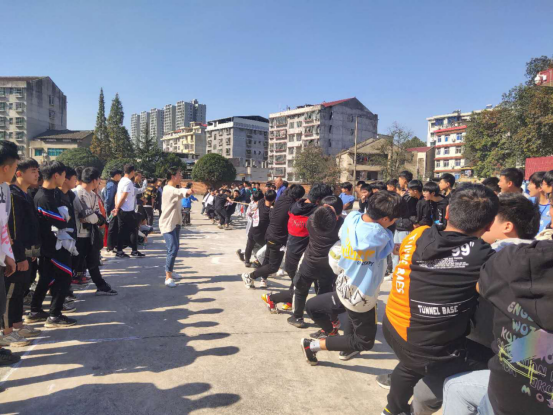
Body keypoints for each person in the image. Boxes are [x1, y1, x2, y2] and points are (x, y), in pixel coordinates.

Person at [409, 193, 540, 415]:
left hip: (486, 351)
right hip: (527, 356)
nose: (483, 224)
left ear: (507, 227)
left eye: (489, 219)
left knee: (424, 394)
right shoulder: (539, 255)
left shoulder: (492, 256)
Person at [381, 183, 498, 415]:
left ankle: (392, 409)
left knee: (410, 363)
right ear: (489, 225)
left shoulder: (418, 234)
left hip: (393, 328)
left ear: (447, 213)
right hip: (430, 348)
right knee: (499, 364)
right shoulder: (485, 257)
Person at [443, 238, 550, 414]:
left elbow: (480, 286)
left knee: (454, 386)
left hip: (500, 398)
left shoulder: (509, 259)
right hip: (508, 393)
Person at [301, 191, 403, 365]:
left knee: (321, 307)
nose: (393, 223)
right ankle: (312, 345)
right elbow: (391, 248)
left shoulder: (352, 218)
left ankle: (339, 339)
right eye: (393, 220)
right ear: (386, 219)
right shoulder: (380, 237)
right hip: (362, 296)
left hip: (344, 284)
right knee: (364, 341)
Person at [262, 184, 332, 312]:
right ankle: (272, 298)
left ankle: (288, 303)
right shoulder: (316, 213)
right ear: (319, 200)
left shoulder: (296, 206)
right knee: (301, 288)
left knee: (298, 284)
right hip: (303, 258)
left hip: (291, 255)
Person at [28, 161, 78, 328]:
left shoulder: (54, 193)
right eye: (63, 175)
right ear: (56, 175)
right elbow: (60, 221)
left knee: (47, 277)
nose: (65, 179)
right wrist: (64, 217)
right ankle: (55, 315)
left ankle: (35, 310)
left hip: (56, 243)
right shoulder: (43, 197)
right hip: (52, 245)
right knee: (64, 276)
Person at [288, 195, 344, 328]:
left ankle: (297, 317)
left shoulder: (312, 220)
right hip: (329, 265)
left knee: (301, 289)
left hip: (310, 262)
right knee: (325, 290)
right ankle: (323, 318)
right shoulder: (342, 225)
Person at [2, 159, 41, 344]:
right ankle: (7, 331)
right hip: (16, 254)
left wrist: (32, 252)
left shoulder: (25, 194)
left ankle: (18, 324)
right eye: (33, 171)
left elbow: (30, 227)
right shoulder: (12, 195)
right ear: (19, 173)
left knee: (20, 290)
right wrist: (19, 256)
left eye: (37, 171)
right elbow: (13, 230)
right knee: (11, 292)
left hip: (27, 253)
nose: (37, 175)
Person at [241, 185, 305, 289]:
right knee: (273, 267)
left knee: (266, 260)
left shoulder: (281, 199)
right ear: (298, 197)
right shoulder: (292, 206)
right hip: (278, 238)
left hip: (269, 234)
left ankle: (263, 279)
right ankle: (249, 276)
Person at [0, 150, 31, 349]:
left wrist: (8, 255)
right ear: (6, 168)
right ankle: (7, 334)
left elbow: (4, 226)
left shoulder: (4, 189)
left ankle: (5, 341)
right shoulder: (11, 192)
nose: (15, 172)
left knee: (5, 299)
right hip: (10, 253)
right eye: (14, 168)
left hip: (5, 255)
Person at [73, 167, 117, 296]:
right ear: (94, 180)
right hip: (78, 235)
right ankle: (61, 291)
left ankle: (101, 286)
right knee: (74, 263)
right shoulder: (78, 193)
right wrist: (93, 218)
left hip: (89, 233)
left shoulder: (92, 194)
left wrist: (94, 218)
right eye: (99, 179)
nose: (99, 182)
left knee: (93, 261)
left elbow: (97, 215)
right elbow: (87, 216)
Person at [159, 167, 192, 288]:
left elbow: (180, 193)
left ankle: (171, 271)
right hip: (167, 224)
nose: (181, 176)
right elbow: (180, 192)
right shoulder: (169, 189)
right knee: (172, 248)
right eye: (179, 174)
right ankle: (168, 277)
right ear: (173, 176)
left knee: (175, 248)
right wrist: (188, 190)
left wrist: (186, 191)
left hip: (175, 223)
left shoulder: (173, 188)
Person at [237, 190, 276, 271]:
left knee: (249, 246)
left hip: (252, 229)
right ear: (274, 199)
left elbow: (256, 203)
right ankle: (259, 262)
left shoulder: (261, 202)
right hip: (261, 234)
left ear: (264, 197)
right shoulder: (271, 212)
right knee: (265, 249)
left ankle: (247, 261)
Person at [114, 164, 145, 258]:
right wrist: (117, 208)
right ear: (132, 172)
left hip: (122, 209)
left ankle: (120, 250)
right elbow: (123, 196)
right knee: (133, 230)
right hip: (127, 210)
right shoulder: (128, 182)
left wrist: (116, 207)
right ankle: (133, 250)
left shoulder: (121, 180)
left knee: (122, 231)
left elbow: (117, 195)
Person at [104, 169, 122, 254]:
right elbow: (108, 199)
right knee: (112, 228)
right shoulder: (111, 185)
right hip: (112, 210)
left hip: (114, 209)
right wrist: (107, 210)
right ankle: (110, 247)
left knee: (114, 228)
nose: (120, 177)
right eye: (120, 175)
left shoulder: (114, 183)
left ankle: (113, 245)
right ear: (116, 175)